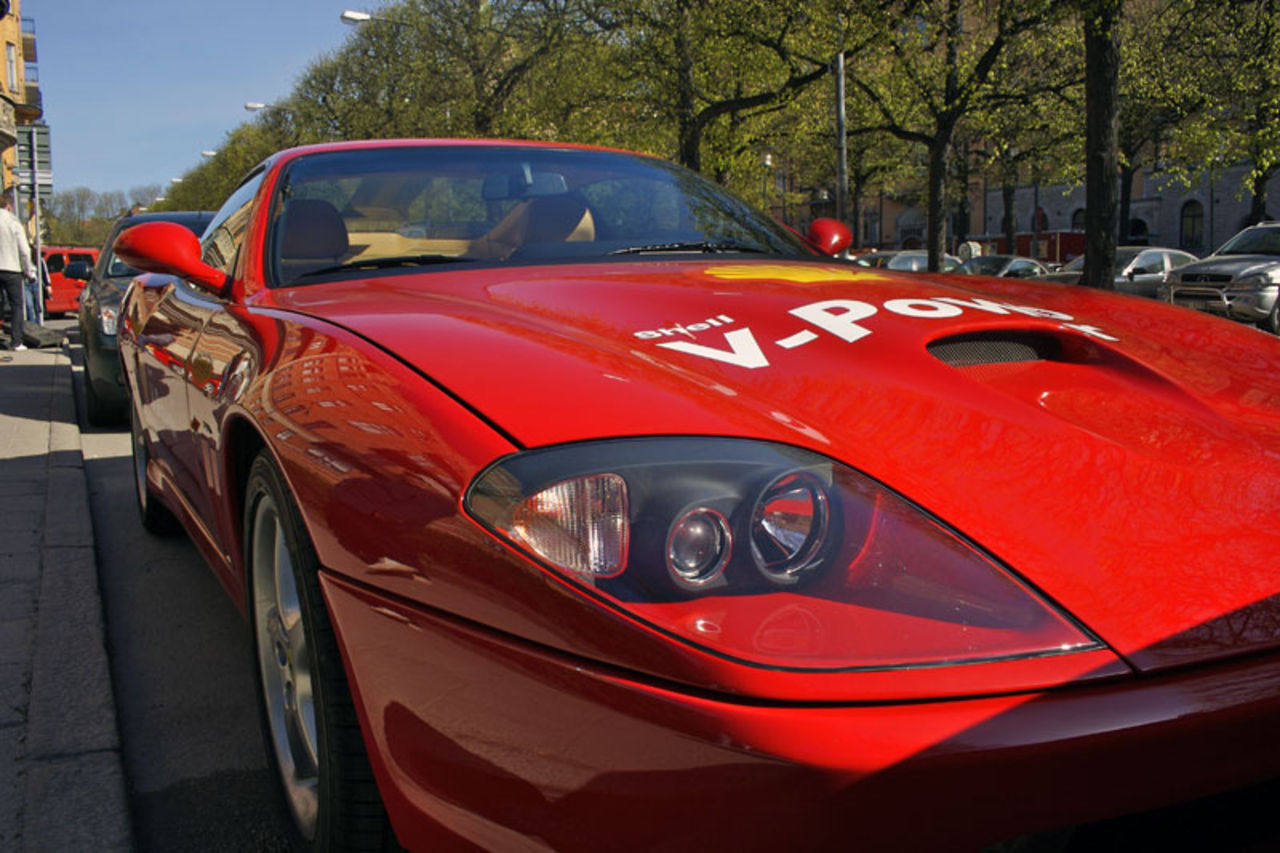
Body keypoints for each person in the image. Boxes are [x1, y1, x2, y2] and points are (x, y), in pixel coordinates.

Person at [0, 193, 34, 350]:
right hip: (12, 269)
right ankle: (16, 341)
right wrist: (29, 271)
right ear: (9, 206)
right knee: (16, 306)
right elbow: (25, 251)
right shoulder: (13, 222)